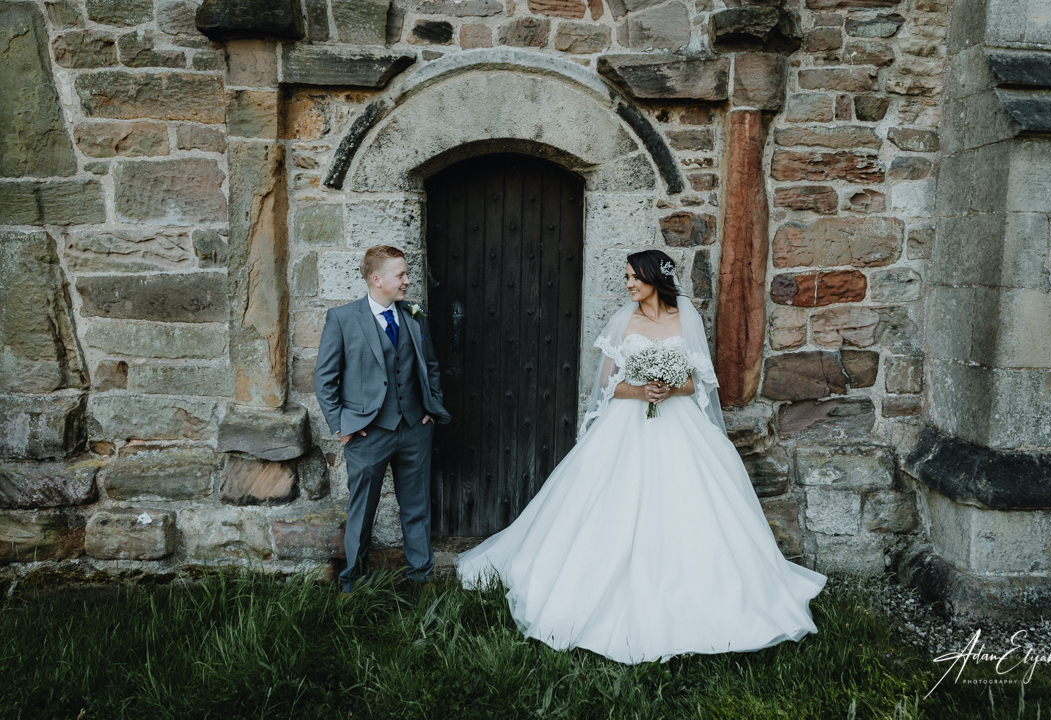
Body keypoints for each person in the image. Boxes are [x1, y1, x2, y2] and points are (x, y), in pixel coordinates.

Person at [454, 248, 827, 664]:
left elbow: (696, 383)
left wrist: (668, 388)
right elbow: (606, 385)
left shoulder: (684, 320)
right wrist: (640, 390)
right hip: (626, 424)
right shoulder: (623, 322)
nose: (629, 284)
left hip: (679, 423)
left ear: (655, 279)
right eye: (627, 277)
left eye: (635, 277)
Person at [314, 245, 451, 593]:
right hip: (367, 434)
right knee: (361, 511)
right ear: (377, 279)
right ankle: (353, 583)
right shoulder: (343, 319)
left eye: (406, 274)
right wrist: (342, 426)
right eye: (400, 275)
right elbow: (325, 379)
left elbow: (430, 366)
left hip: (415, 429)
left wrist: (431, 410)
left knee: (417, 508)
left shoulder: (415, 315)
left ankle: (421, 579)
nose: (407, 281)